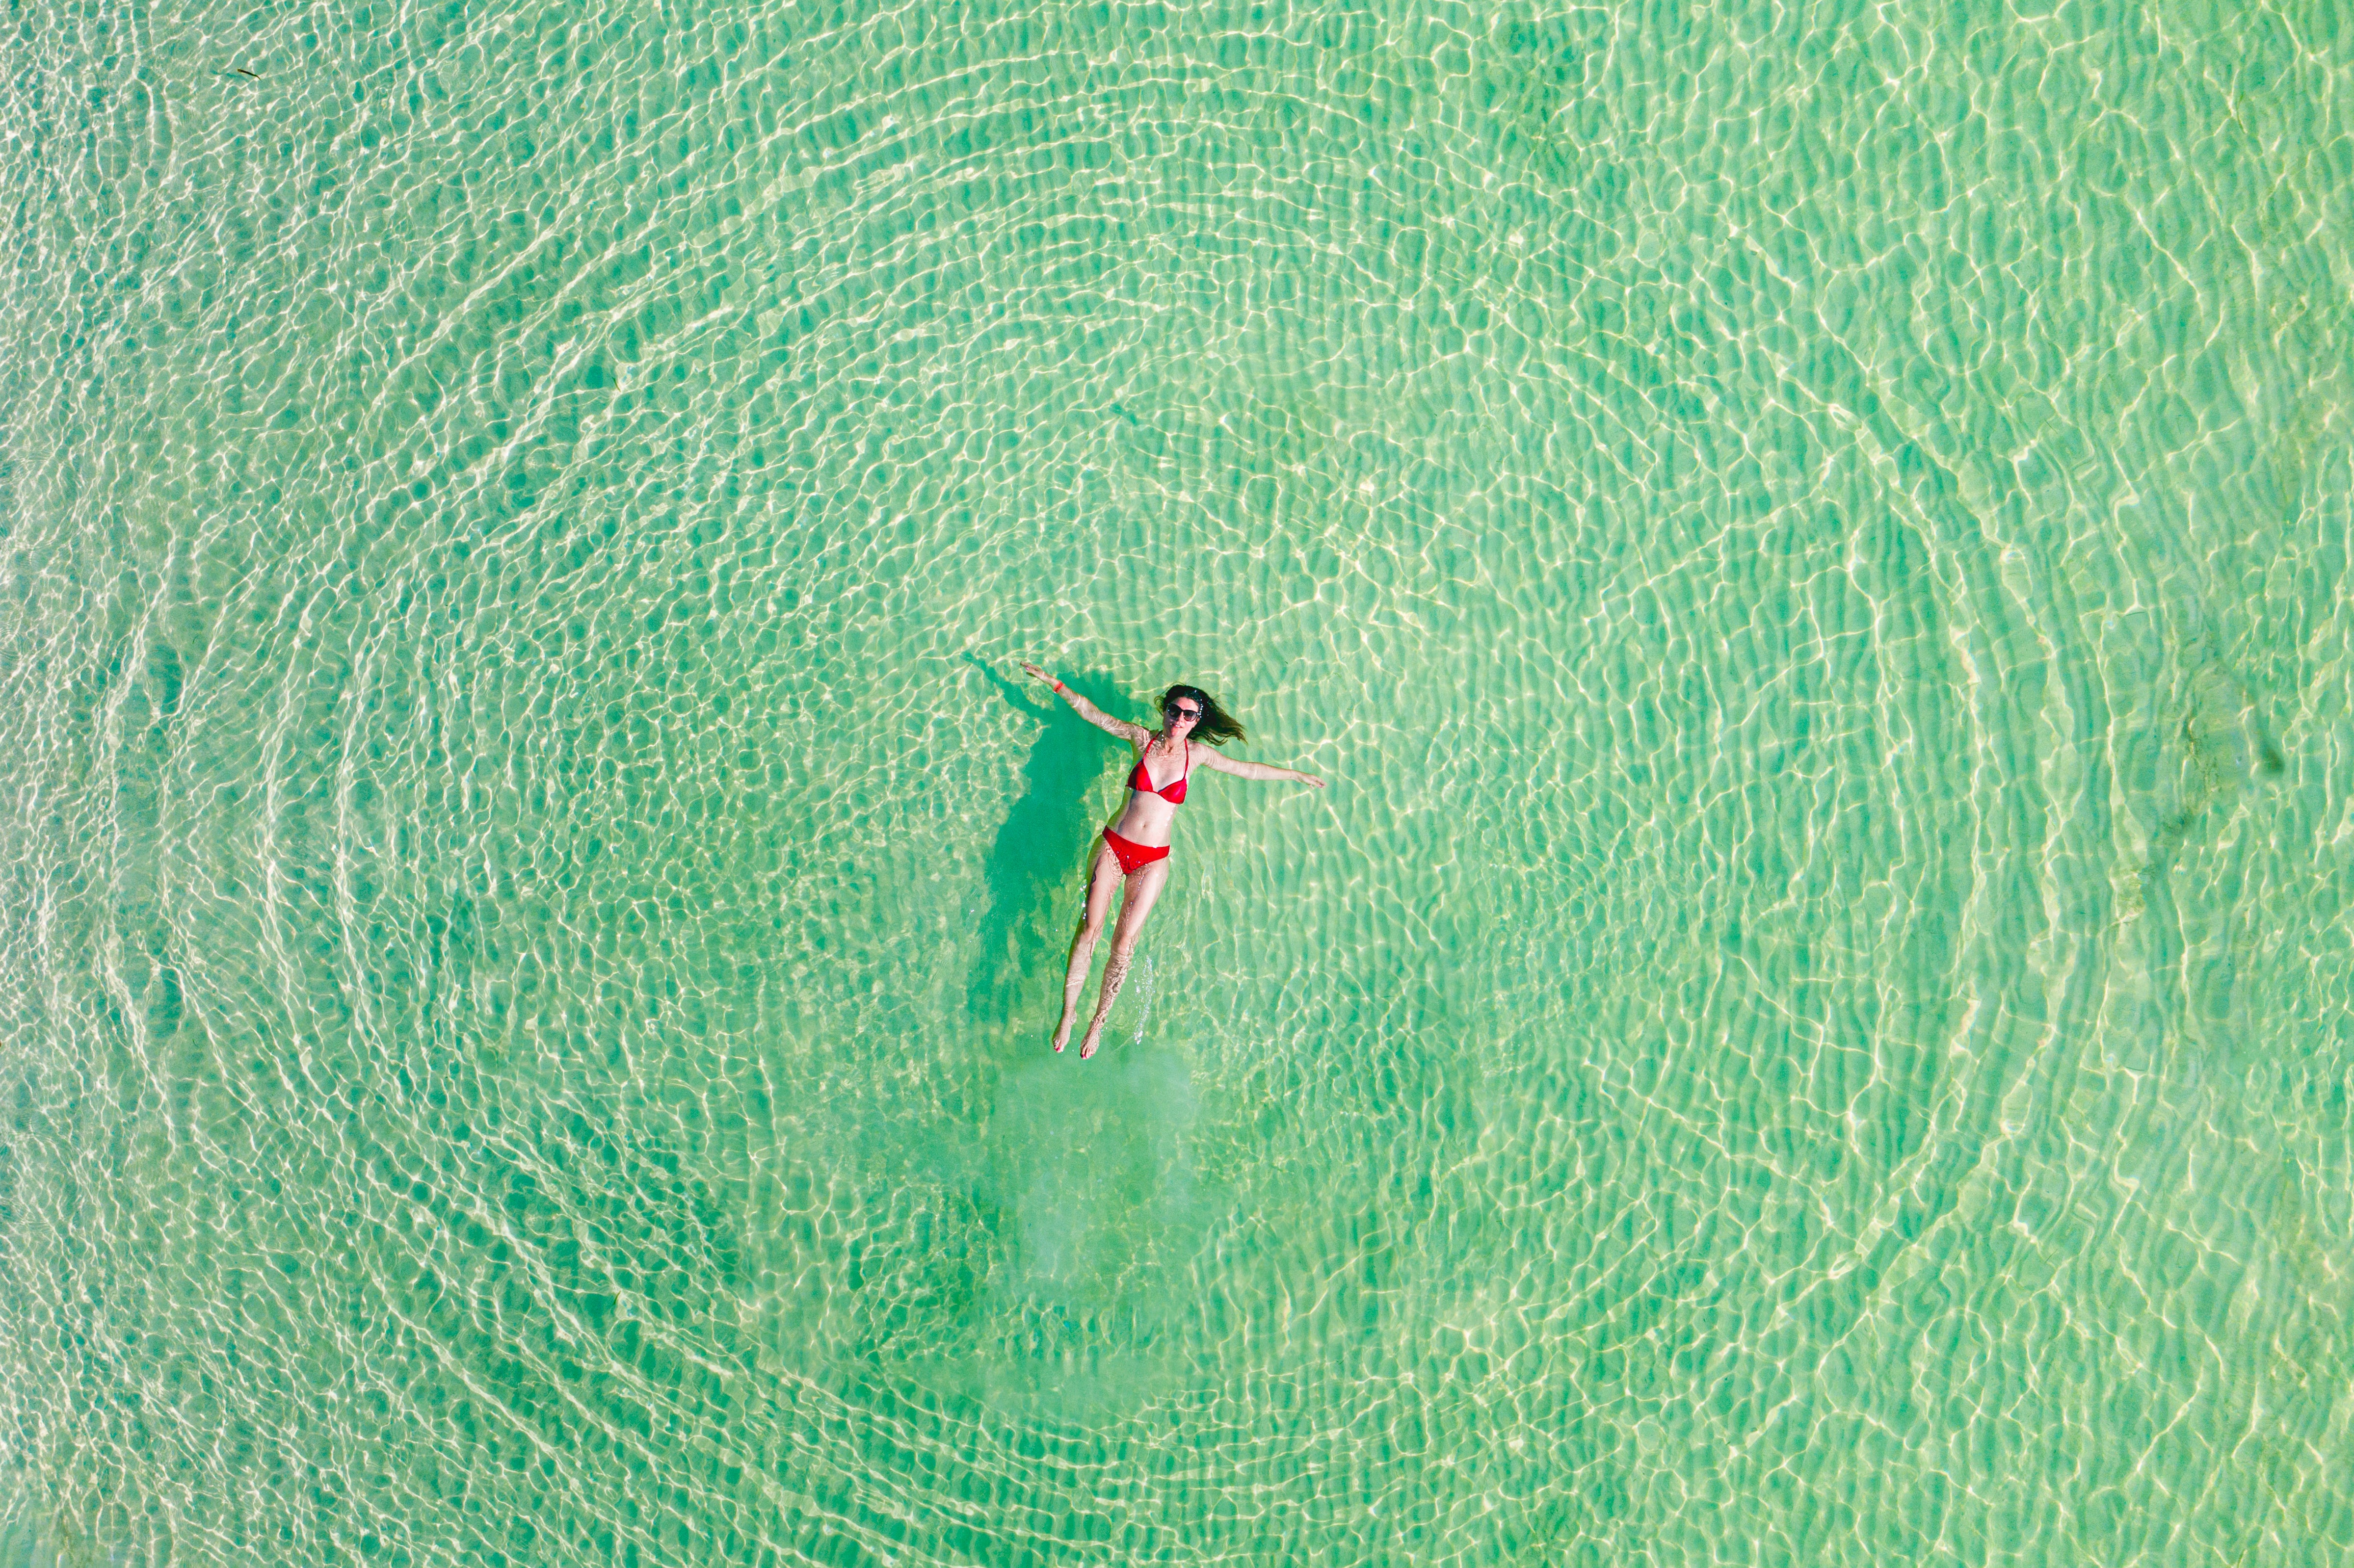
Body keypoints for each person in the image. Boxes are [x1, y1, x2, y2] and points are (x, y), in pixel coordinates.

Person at [1019, 662, 1326, 1057]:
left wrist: (1294, 775)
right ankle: (1068, 1014)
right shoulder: (1140, 738)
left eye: (1188, 715)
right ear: (1164, 710)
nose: (1179, 719)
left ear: (1197, 721)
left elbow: (1247, 770)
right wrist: (1054, 683)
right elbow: (1093, 714)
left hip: (1152, 861)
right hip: (1114, 847)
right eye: (1174, 710)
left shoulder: (1197, 755)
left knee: (1124, 942)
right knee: (1089, 929)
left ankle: (1098, 1022)